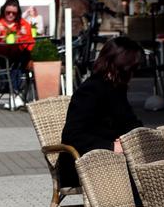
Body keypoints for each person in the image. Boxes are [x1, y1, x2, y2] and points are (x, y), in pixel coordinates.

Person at [58, 36, 144, 188]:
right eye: (133, 68)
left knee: (155, 167)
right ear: (121, 66)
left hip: (111, 161)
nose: (134, 74)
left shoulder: (116, 88)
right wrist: (111, 146)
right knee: (143, 177)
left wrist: (138, 137)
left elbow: (130, 122)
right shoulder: (91, 90)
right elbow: (73, 135)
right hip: (82, 165)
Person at [0, 0, 35, 108]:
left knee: (19, 62)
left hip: (18, 57)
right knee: (10, 65)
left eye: (14, 13)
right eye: (8, 12)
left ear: (18, 13)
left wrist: (21, 36)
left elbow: (30, 43)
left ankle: (15, 95)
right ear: (3, 11)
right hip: (0, 58)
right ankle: (16, 95)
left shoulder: (22, 24)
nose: (11, 15)